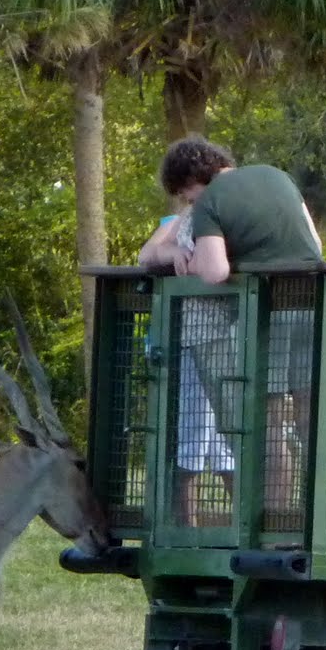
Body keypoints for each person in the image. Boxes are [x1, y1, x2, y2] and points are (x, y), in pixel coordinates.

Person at [139, 136, 324, 524]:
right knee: (312, 419)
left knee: (267, 421)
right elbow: (316, 244)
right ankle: (317, 519)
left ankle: (272, 522)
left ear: (191, 182)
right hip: (316, 305)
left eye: (185, 196)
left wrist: (186, 258)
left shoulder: (211, 202)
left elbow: (215, 272)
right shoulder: (278, 177)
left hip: (271, 310)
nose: (187, 204)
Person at [139, 202, 235, 526]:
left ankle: (241, 524)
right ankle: (185, 528)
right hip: (183, 344)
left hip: (225, 340)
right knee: (191, 435)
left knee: (226, 437)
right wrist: (175, 251)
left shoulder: (229, 215)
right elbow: (148, 253)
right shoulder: (183, 218)